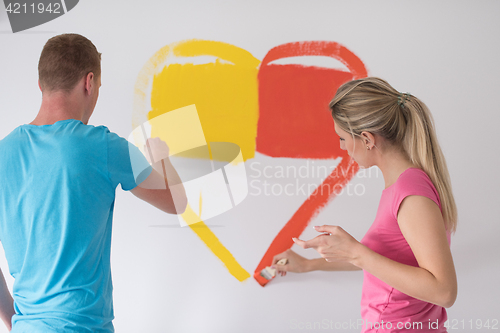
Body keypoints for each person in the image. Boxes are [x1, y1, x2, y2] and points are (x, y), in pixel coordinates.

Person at [0, 33, 187, 332]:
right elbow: (178, 202)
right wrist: (161, 156)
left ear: (41, 85)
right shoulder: (104, 146)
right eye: (98, 86)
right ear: (89, 82)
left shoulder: (3, 153)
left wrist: (15, 320)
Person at [272, 77, 457, 332]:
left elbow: (444, 291)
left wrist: (358, 252)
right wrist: (308, 264)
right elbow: (385, 260)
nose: (342, 147)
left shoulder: (410, 193)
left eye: (342, 138)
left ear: (367, 139)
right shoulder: (402, 186)